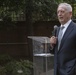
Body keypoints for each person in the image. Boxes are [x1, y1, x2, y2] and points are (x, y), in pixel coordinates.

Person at [50, 3, 76, 75]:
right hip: (57, 71)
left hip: (71, 71)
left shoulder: (75, 29)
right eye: (58, 12)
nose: (59, 14)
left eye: (62, 11)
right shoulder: (56, 30)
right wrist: (52, 45)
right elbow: (56, 52)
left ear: (70, 14)